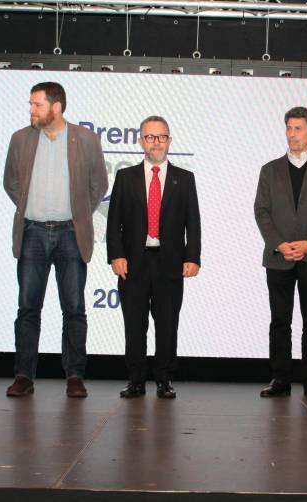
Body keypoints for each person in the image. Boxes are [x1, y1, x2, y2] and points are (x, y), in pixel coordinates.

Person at [3, 82, 108, 398]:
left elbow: (98, 185)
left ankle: (75, 376)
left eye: (37, 104)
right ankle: (24, 375)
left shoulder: (85, 139)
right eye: (31, 104)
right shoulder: (21, 139)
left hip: (70, 234)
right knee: (27, 308)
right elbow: (11, 183)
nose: (32, 110)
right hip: (33, 231)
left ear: (57, 106)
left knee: (74, 309)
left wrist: (77, 214)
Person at [107, 116, 201, 399]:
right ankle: (136, 379)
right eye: (150, 137)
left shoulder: (184, 178)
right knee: (135, 324)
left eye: (161, 137)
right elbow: (114, 223)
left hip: (170, 262)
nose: (156, 142)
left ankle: (164, 379)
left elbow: (192, 222)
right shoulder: (125, 177)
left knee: (167, 324)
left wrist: (193, 257)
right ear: (140, 141)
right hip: (133, 263)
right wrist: (116, 255)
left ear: (169, 140)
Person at [253, 107, 307, 400]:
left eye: (298, 129)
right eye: (289, 128)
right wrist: (279, 244)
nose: (292, 134)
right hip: (278, 258)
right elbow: (262, 211)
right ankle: (280, 378)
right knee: (280, 320)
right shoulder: (270, 169)